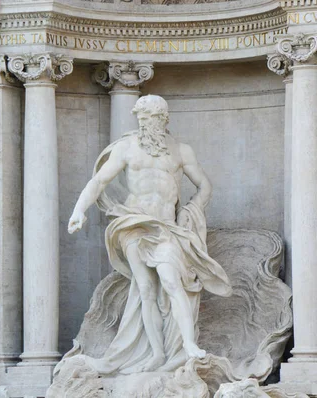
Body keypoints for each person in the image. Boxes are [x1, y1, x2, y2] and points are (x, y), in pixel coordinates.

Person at [67, 94, 232, 374]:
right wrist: (78, 210)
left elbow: (204, 185)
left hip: (166, 227)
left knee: (171, 282)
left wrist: (192, 208)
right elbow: (99, 181)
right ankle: (156, 353)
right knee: (145, 288)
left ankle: (188, 345)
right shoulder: (127, 147)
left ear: (163, 119)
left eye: (150, 118)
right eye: (141, 118)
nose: (144, 124)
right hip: (133, 223)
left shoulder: (181, 151)